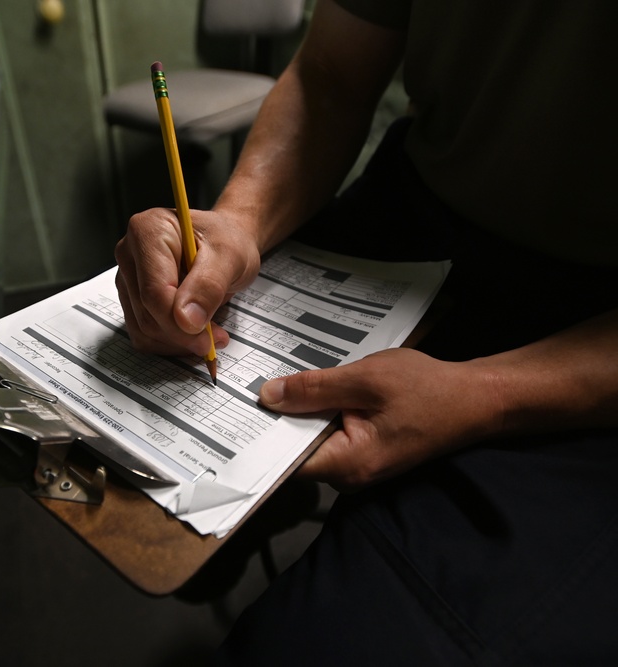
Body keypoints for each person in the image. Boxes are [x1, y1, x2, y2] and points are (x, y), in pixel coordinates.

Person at [114, 0, 618, 663]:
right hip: (416, 209)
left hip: (589, 316)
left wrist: (487, 395)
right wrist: (235, 223)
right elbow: (330, 76)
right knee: (134, 457)